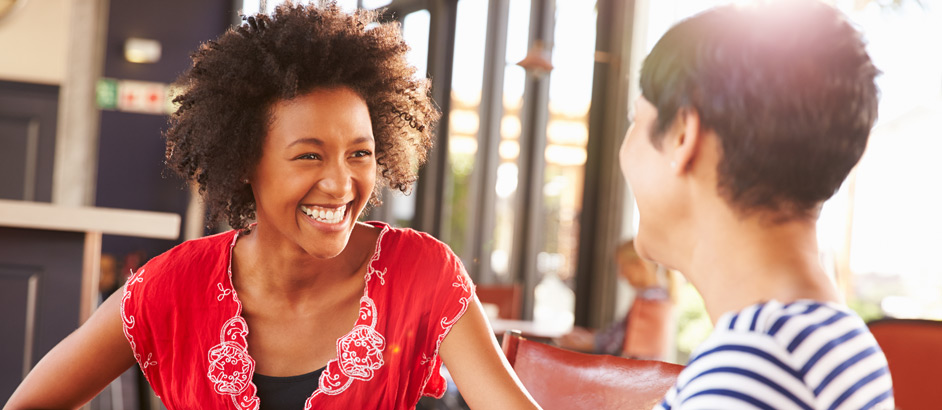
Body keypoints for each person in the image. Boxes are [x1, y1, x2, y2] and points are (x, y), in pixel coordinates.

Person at [5, 3, 540, 410]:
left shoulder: (424, 274)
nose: (340, 183)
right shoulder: (172, 286)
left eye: (360, 154)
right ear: (244, 163)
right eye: (308, 155)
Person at [619, 1, 894, 409]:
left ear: (682, 135)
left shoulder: (754, 369)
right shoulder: (825, 340)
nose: (624, 150)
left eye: (634, 120)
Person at [556, 239, 675, 360]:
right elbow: (622, 333)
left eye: (623, 266)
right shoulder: (657, 296)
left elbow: (621, 342)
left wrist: (588, 342)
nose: (621, 274)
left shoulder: (651, 300)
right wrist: (590, 337)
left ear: (639, 264)